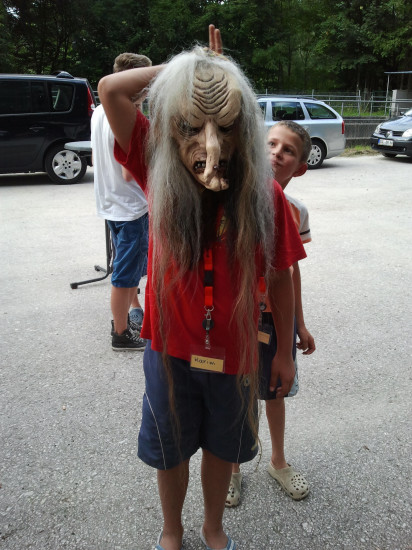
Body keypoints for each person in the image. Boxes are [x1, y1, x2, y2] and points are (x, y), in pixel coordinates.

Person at [98, 26, 306, 550]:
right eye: (192, 125)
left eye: (225, 127)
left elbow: (281, 275)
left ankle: (214, 528)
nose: (210, 146)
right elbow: (111, 89)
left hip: (235, 353)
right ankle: (172, 531)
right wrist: (192, 71)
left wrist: (284, 351)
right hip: (169, 349)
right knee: (170, 449)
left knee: (221, 448)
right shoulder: (156, 166)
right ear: (174, 125)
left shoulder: (265, 196)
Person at [226, 120, 316, 507]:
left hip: (275, 320)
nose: (277, 153)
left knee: (274, 391)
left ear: (301, 167)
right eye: (271, 144)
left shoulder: (296, 211)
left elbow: (290, 273)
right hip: (236, 318)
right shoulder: (231, 196)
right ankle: (231, 467)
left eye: (288, 150)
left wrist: (299, 324)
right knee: (235, 394)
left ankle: (278, 461)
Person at [91, 52, 151, 351]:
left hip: (111, 203)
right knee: (125, 274)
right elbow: (130, 172)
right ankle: (121, 333)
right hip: (131, 207)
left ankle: (130, 314)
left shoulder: (99, 110)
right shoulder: (131, 118)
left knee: (127, 265)